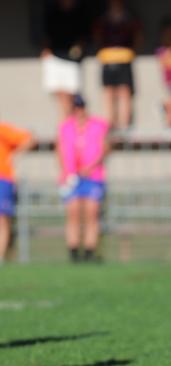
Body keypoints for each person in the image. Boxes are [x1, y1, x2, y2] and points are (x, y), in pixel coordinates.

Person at [57, 95, 111, 262]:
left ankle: (89, 250)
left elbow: (105, 147)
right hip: (72, 177)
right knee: (72, 213)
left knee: (91, 213)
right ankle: (73, 250)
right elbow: (59, 149)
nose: (79, 111)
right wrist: (67, 170)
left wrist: (91, 166)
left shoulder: (98, 125)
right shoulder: (65, 127)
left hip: (93, 175)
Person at [93, 0, 142, 131]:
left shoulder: (129, 18)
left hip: (124, 57)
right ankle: (110, 125)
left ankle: (124, 125)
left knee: (124, 91)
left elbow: (137, 36)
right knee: (108, 92)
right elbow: (97, 36)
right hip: (107, 58)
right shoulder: (103, 19)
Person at [40, 0, 90, 121]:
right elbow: (47, 35)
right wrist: (46, 49)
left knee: (70, 96)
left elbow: (84, 36)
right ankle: (65, 125)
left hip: (71, 59)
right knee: (60, 95)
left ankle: (69, 125)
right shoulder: (52, 12)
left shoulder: (80, 12)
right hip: (55, 57)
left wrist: (79, 48)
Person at [0, 123, 35, 264]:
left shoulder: (2, 130)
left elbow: (29, 138)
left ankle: (1, 256)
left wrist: (14, 157)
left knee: (2, 219)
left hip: (2, 178)